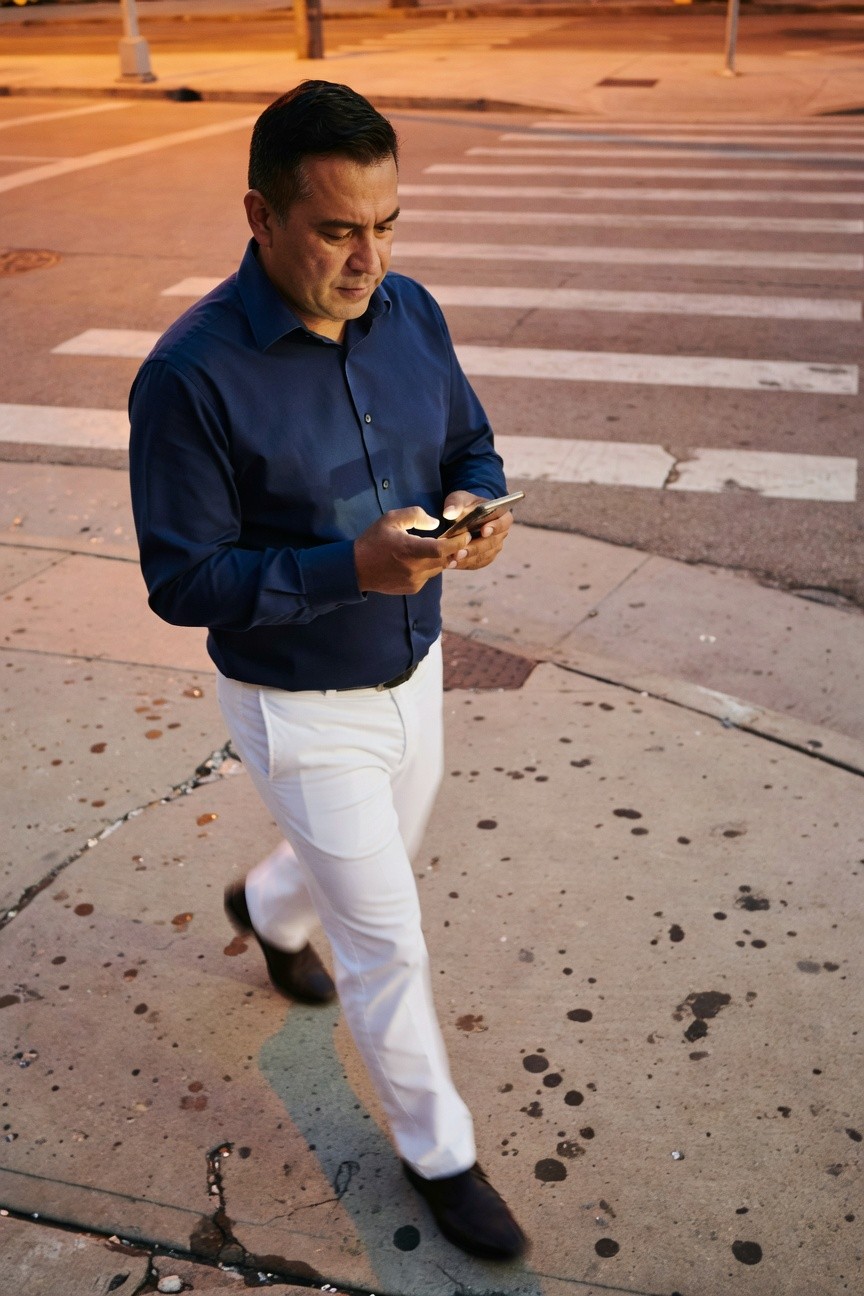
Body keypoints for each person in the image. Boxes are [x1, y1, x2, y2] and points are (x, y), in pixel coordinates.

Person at [128, 79, 525, 1262]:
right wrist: (345, 570)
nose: (371, 259)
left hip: (416, 665)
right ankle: (438, 1150)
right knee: (388, 936)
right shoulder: (190, 377)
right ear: (260, 214)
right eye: (339, 229)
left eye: (389, 224)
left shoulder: (410, 314)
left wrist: (474, 498)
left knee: (378, 862)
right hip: (299, 705)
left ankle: (266, 902)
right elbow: (182, 581)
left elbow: (468, 436)